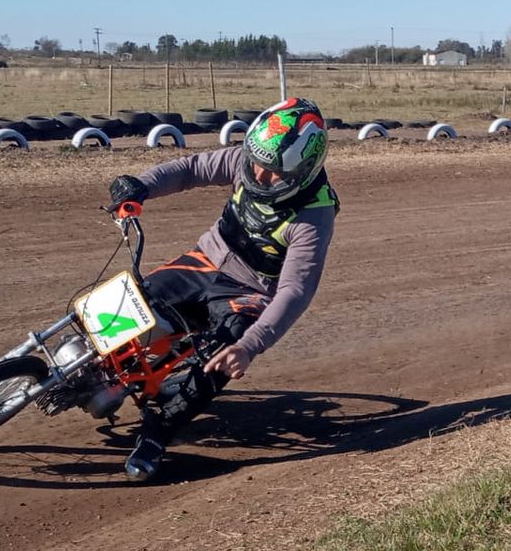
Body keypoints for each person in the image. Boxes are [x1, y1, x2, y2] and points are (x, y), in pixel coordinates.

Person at [107, 97, 338, 481]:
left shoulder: (315, 215)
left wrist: (249, 347)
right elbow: (191, 169)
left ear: (302, 170)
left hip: (250, 290)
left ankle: (158, 432)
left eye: (272, 173)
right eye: (256, 163)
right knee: (130, 302)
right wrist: (141, 186)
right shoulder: (244, 160)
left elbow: (295, 291)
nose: (258, 176)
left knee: (223, 353)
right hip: (205, 259)